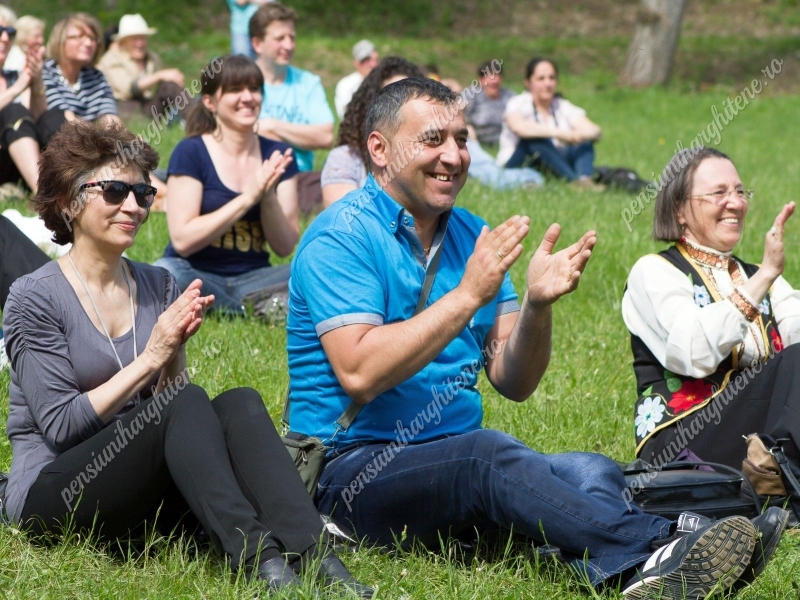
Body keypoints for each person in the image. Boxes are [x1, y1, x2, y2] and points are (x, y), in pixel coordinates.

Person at [286, 77, 777, 598]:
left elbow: (513, 380)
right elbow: (360, 372)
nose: (454, 155)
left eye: (462, 139)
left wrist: (538, 306)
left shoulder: (471, 234)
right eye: (433, 140)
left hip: (448, 459)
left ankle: (630, 574)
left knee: (590, 469)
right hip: (352, 473)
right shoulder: (341, 236)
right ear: (380, 149)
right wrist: (468, 295)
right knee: (485, 458)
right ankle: (658, 547)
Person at [2, 119, 373, 597]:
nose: (133, 206)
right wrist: (151, 356)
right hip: (55, 493)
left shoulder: (157, 284)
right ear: (69, 201)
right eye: (114, 191)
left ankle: (316, 555)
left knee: (238, 402)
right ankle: (258, 559)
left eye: (143, 193)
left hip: (135, 485)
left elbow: (173, 410)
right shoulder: (33, 297)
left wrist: (172, 353)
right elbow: (60, 426)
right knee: (183, 401)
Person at [622, 147, 800, 472]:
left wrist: (763, 276)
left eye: (740, 192)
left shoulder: (762, 277)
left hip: (755, 428)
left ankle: (778, 471)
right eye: (719, 193)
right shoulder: (654, 272)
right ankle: (780, 471)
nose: (736, 203)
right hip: (683, 443)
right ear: (679, 209)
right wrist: (763, 278)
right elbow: (694, 352)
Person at [154, 55, 299, 315]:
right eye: (235, 90)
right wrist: (248, 198)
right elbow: (183, 240)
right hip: (196, 274)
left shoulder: (278, 155)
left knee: (310, 267)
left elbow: (285, 246)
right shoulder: (191, 151)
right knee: (165, 272)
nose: (248, 97)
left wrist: (267, 196)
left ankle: (232, 306)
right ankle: (254, 308)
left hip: (256, 278)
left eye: (254, 88)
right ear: (209, 102)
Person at [321, 56, 541, 207]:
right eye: (394, 95)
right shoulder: (347, 158)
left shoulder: (465, 223)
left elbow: (494, 175)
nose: (452, 157)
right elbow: (344, 220)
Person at [250, 2, 334, 214]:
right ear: (257, 43)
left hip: (300, 177)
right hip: (250, 174)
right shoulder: (241, 84)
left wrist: (272, 127)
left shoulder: (308, 83)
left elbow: (325, 136)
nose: (288, 45)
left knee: (342, 187)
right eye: (280, 38)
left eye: (292, 37)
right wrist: (299, 136)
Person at [497, 57, 603, 189]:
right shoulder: (517, 103)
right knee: (535, 140)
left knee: (583, 143)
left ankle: (584, 179)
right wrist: (562, 134)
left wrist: (578, 136)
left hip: (553, 162)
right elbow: (520, 128)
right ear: (528, 83)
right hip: (518, 163)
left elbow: (595, 131)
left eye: (551, 78)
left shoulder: (562, 106)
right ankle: (573, 181)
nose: (547, 83)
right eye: (541, 79)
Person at [97, 14, 185, 123]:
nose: (140, 43)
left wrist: (172, 79)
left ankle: (196, 119)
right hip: (123, 106)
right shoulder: (111, 58)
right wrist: (159, 76)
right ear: (123, 42)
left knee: (170, 85)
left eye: (142, 38)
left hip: (148, 104)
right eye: (134, 39)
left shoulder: (152, 58)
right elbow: (129, 89)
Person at [0, 4, 47, 193]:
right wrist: (17, 89)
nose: (5, 38)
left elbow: (40, 118)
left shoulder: (15, 76)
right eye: (0, 31)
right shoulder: (17, 83)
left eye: (10, 33)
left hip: (16, 160)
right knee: (14, 109)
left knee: (56, 116)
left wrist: (36, 82)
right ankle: (44, 195)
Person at [41, 13, 120, 125]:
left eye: (92, 38)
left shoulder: (96, 77)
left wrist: (121, 135)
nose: (88, 43)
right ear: (60, 41)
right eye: (78, 37)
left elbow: (110, 116)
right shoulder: (45, 72)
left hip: (87, 133)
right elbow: (63, 115)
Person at [464, 59, 514, 146]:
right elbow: (459, 110)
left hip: (505, 141)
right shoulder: (473, 94)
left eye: (497, 76)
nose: (494, 81)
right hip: (475, 140)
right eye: (490, 77)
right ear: (481, 80)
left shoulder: (508, 95)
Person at [334, 39, 379, 119]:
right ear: (356, 63)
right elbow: (347, 114)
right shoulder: (346, 85)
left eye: (375, 60)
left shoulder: (384, 82)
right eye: (367, 60)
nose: (373, 64)